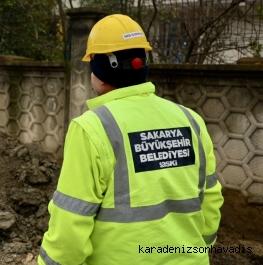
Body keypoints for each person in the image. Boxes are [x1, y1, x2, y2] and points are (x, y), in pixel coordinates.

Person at [37, 14, 223, 265]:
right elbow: (210, 200)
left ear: (100, 70)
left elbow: (70, 223)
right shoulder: (191, 121)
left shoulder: (91, 128)